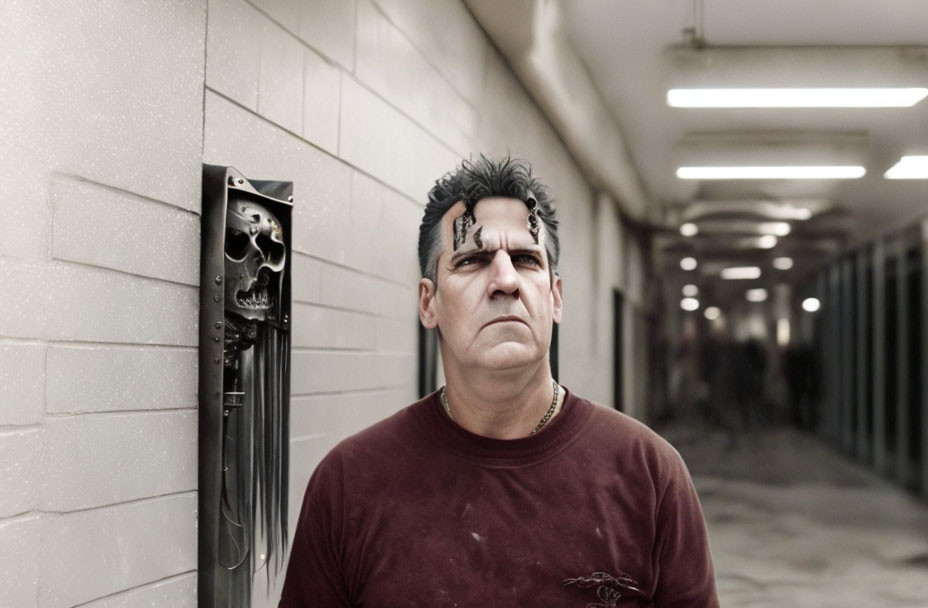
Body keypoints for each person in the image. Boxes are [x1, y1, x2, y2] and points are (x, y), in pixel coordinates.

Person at [280, 157, 718, 606]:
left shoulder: (649, 475)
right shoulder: (350, 484)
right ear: (428, 303)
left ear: (555, 297)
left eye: (527, 259)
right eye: (473, 260)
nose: (505, 280)